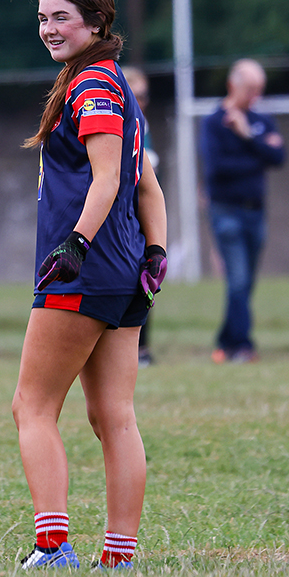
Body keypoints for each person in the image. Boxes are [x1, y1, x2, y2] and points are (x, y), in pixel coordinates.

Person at [11, 0, 168, 570]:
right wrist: (155, 252)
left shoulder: (94, 85)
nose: (49, 28)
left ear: (97, 21)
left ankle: (52, 547)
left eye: (62, 18)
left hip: (86, 267)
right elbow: (146, 185)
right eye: (43, 18)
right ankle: (119, 557)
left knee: (32, 407)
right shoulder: (114, 82)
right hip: (123, 268)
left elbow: (110, 179)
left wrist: (74, 243)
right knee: (113, 417)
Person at [200, 58, 285, 364]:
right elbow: (218, 170)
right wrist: (258, 154)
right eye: (250, 89)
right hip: (226, 212)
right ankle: (242, 347)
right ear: (233, 85)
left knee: (246, 282)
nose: (255, 97)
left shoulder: (260, 121)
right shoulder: (214, 123)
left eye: (259, 90)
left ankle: (225, 341)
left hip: (256, 212)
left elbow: (278, 158)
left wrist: (248, 136)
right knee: (237, 279)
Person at [124, 66, 159, 367]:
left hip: (139, 212)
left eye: (145, 96)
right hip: (123, 214)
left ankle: (141, 347)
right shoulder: (119, 117)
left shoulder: (141, 123)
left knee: (146, 277)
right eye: (137, 96)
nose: (142, 102)